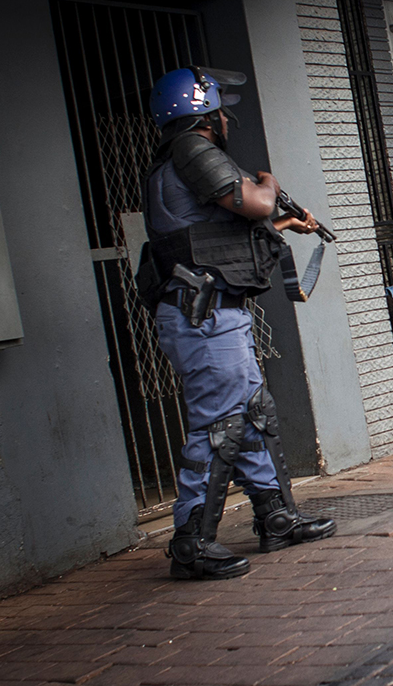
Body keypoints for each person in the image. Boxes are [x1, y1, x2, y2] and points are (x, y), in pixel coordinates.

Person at [138, 66, 335, 580]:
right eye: (220, 111)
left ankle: (276, 517)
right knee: (220, 425)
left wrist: (284, 224)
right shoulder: (193, 150)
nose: (227, 119)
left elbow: (222, 233)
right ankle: (191, 542)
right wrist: (268, 183)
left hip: (212, 313)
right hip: (202, 316)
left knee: (252, 413)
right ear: (203, 113)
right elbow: (257, 201)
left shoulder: (177, 162)